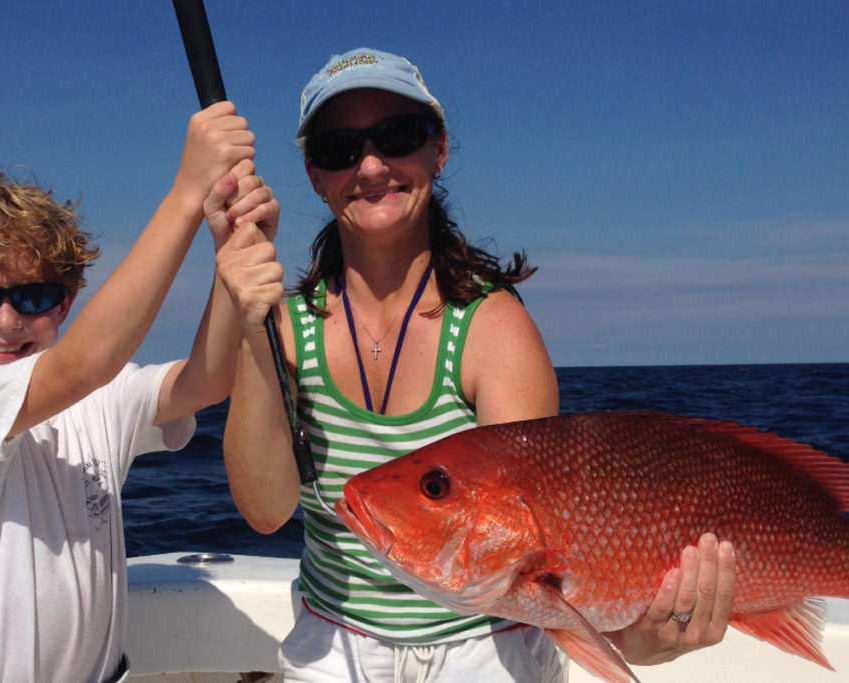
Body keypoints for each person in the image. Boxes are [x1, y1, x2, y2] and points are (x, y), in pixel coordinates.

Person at [220, 48, 736, 681]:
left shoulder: (493, 330)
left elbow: (546, 551)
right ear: (313, 174)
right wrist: (250, 323)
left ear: (438, 149)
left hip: (488, 650)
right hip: (333, 645)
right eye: (340, 147)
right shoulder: (284, 327)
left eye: (398, 136)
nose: (373, 165)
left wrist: (641, 635)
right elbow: (266, 511)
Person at [0, 101, 283, 682]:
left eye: (35, 296)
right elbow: (83, 364)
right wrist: (187, 194)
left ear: (66, 303)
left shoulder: (100, 395)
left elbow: (205, 381)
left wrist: (230, 260)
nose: (5, 319)